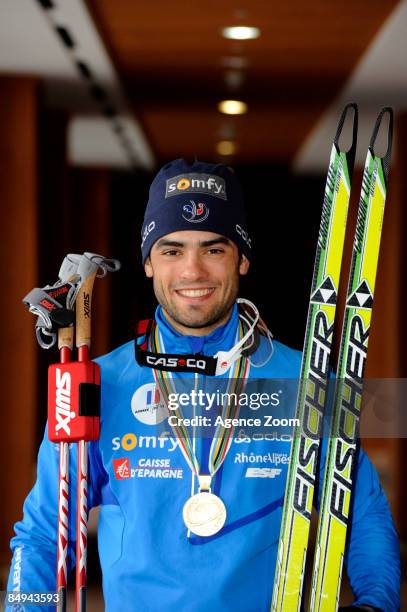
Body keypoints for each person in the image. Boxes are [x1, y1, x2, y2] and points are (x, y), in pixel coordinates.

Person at [7, 159, 400, 611]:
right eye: (172, 250)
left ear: (243, 258)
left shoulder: (303, 381)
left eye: (213, 249)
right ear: (148, 262)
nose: (192, 271)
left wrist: (376, 602)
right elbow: (41, 536)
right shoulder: (95, 383)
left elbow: (362, 511)